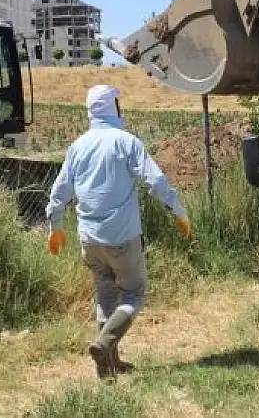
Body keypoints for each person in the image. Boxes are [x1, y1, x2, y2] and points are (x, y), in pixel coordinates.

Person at [45, 84, 192, 379]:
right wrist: (179, 211)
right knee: (133, 294)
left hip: (89, 240)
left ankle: (109, 366)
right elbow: (157, 181)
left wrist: (55, 226)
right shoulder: (126, 142)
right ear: (114, 107)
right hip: (121, 238)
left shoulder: (78, 147)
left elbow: (60, 191)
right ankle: (104, 343)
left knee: (105, 295)